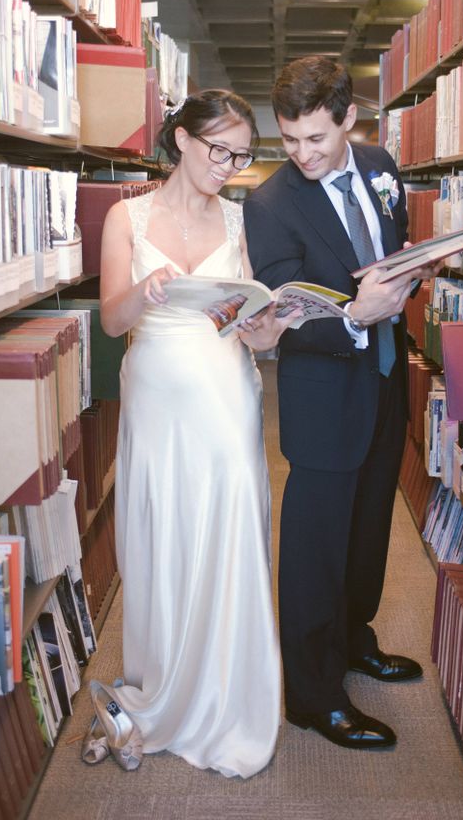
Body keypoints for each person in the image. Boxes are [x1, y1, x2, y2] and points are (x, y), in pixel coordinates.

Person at [88, 90, 295, 779]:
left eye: (241, 155)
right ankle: (167, 688)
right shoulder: (125, 216)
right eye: (219, 150)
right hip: (155, 395)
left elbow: (244, 325)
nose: (229, 166)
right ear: (181, 139)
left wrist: (268, 327)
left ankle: (228, 696)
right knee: (162, 538)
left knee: (228, 531)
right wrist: (142, 291)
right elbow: (113, 323)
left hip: (226, 395)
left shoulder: (243, 219)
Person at [243, 55, 429, 751]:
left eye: (316, 139)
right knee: (315, 551)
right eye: (289, 140)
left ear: (350, 119)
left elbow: (387, 246)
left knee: (369, 535)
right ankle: (314, 698)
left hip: (384, 382)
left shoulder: (380, 165)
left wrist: (410, 268)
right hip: (322, 398)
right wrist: (354, 314)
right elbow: (283, 314)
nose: (302, 155)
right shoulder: (268, 204)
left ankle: (355, 641)